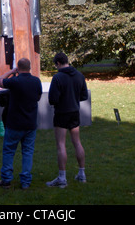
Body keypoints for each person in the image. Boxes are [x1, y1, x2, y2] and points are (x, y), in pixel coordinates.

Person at [0, 58, 42, 189]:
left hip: (14, 123)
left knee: (9, 151)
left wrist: (11, 71)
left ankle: (6, 180)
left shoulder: (15, 81)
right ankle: (26, 181)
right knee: (27, 152)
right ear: (30, 67)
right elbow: (38, 97)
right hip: (30, 123)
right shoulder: (36, 81)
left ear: (18, 68)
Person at [46, 52, 88, 188]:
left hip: (62, 113)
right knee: (77, 142)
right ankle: (82, 174)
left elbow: (52, 99)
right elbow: (84, 96)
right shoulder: (79, 75)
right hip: (75, 112)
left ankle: (62, 178)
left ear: (58, 63)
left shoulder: (57, 77)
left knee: (61, 145)